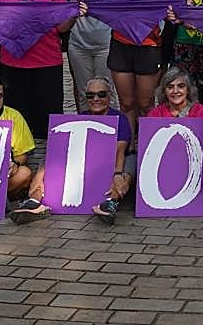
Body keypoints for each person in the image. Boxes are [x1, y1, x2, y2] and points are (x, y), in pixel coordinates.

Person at [10, 76, 133, 225]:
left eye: (101, 94)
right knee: (51, 152)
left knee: (131, 162)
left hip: (111, 163)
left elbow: (119, 151)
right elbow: (58, 150)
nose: (96, 99)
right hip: (82, 164)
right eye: (90, 95)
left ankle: (110, 202)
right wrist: (39, 176)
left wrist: (117, 174)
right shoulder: (81, 117)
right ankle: (34, 201)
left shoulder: (120, 118)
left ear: (110, 96)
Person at [0, 0, 81, 139]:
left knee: (47, 120)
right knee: (17, 118)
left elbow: (62, 27)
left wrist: (74, 14)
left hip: (46, 61)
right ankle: (19, 158)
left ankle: (46, 161)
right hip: (13, 62)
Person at [107, 0, 175, 138]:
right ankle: (128, 145)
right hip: (121, 45)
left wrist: (173, 15)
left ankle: (147, 144)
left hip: (149, 46)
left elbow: (167, 12)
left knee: (146, 103)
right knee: (127, 103)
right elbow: (108, 11)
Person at [47, 0, 112, 113]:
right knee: (84, 92)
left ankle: (109, 130)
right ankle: (84, 127)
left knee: (106, 90)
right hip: (79, 45)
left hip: (105, 45)